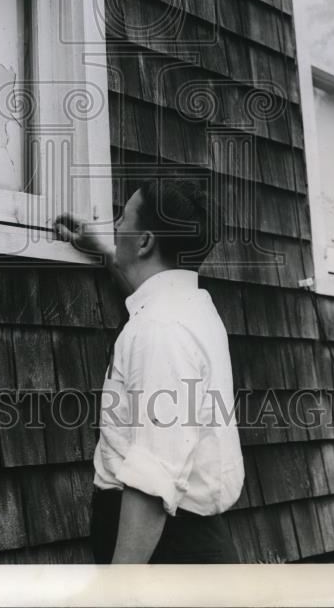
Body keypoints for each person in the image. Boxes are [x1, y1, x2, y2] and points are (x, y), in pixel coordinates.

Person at [55, 176, 245, 564]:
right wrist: (107, 252)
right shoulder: (189, 306)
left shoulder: (160, 331)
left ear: (145, 243)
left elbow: (154, 478)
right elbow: (149, 298)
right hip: (185, 541)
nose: (115, 226)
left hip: (164, 550)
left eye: (122, 218)